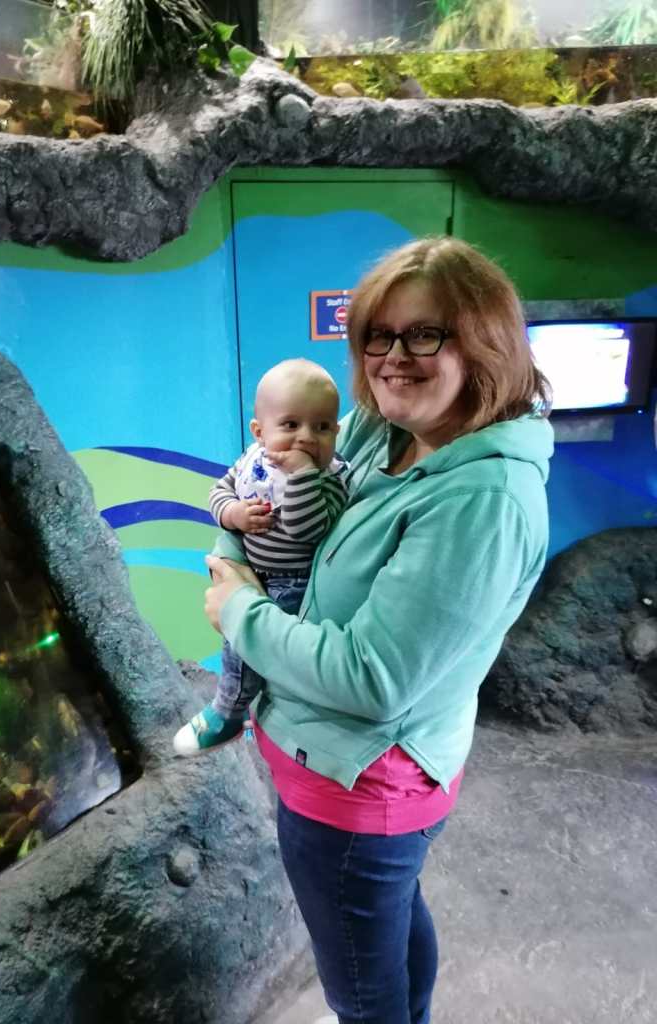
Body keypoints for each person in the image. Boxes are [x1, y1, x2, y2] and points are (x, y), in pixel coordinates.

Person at [203, 237, 553, 1024]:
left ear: (484, 343)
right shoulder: (385, 429)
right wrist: (237, 522)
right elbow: (275, 464)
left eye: (425, 334)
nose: (394, 357)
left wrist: (239, 612)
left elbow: (373, 679)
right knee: (388, 918)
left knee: (360, 986)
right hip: (350, 764)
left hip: (358, 788)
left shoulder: (482, 501)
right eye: (377, 336)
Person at [173, 358, 349, 755]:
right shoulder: (252, 459)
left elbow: (308, 530)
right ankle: (241, 710)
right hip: (255, 570)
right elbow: (218, 492)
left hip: (296, 584)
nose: (306, 438)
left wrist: (302, 475)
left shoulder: (332, 476)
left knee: (246, 647)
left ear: (336, 432)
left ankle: (228, 712)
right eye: (291, 425)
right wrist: (234, 514)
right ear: (259, 431)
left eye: (322, 427)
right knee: (238, 645)